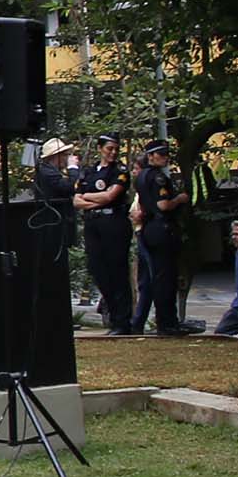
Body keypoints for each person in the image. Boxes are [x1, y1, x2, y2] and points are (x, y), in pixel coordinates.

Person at [130, 143, 189, 336]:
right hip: (161, 228)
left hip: (149, 228)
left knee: (157, 277)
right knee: (165, 278)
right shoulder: (158, 177)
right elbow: (163, 205)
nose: (165, 158)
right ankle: (167, 323)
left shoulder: (140, 177)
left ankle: (165, 321)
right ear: (151, 156)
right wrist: (179, 199)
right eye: (161, 154)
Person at [77, 137, 135, 332]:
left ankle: (122, 321)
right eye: (109, 148)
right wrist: (94, 200)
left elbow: (111, 195)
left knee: (117, 271)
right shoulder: (89, 172)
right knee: (97, 269)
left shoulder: (119, 170)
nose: (113, 152)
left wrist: (87, 196)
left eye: (116, 149)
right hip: (93, 223)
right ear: (100, 148)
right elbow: (76, 200)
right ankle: (112, 311)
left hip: (114, 222)